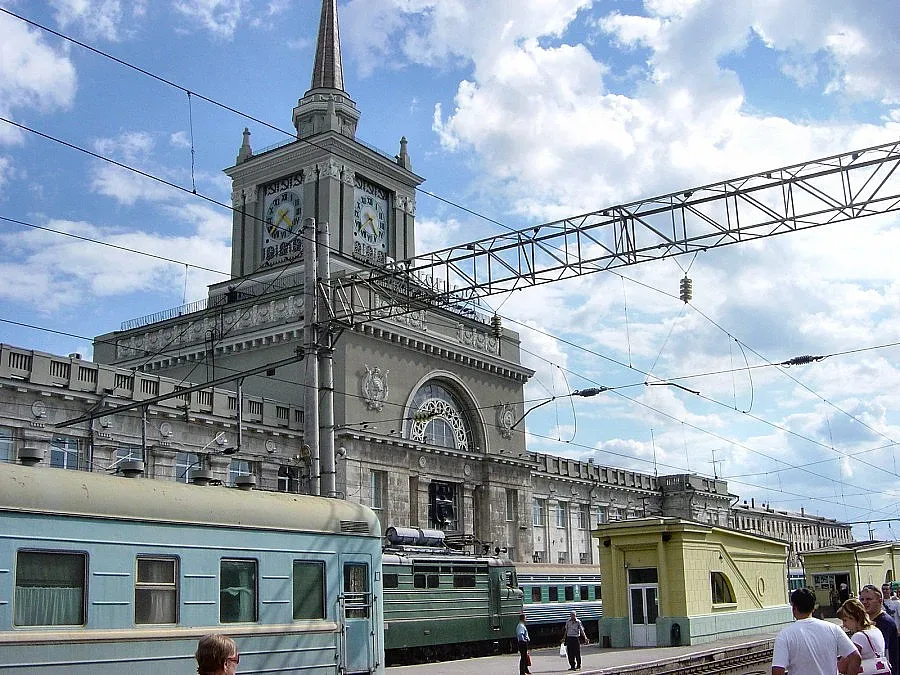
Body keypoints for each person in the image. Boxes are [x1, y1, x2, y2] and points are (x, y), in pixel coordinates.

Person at [772, 587, 860, 675]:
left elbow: (777, 670)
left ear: (794, 607)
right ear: (814, 607)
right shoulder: (833, 628)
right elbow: (856, 657)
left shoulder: (784, 635)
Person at [837, 598, 887, 674]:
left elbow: (842, 667)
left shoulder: (859, 637)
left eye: (845, 620)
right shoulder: (876, 630)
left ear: (854, 617)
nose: (844, 625)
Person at [860, 584, 900, 675]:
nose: (864, 602)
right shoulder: (868, 620)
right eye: (862, 599)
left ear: (880, 601)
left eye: (869, 599)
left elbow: (881, 652)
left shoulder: (885, 622)